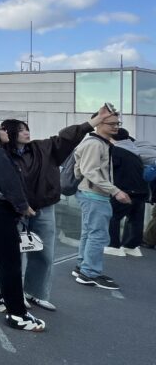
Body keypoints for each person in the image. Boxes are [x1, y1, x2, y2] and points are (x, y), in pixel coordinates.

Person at [0, 106, 114, 311]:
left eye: (27, 129)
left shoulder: (42, 148)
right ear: (8, 133)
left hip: (43, 207)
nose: (27, 132)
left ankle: (36, 293)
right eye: (21, 129)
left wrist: (96, 121)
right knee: (13, 256)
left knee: (44, 253)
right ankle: (12, 295)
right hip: (12, 211)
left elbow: (67, 138)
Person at [0, 119, 45, 332]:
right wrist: (23, 207)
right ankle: (17, 313)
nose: (5, 131)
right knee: (10, 263)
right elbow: (8, 182)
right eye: (0, 129)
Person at [72, 111, 131, 291]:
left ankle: (83, 267)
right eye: (111, 123)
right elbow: (90, 171)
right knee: (98, 235)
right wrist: (115, 191)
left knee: (90, 232)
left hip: (91, 193)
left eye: (117, 123)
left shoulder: (99, 143)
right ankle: (89, 273)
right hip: (94, 194)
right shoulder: (95, 144)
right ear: (98, 124)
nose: (115, 126)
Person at [106, 128, 150, 258]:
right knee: (135, 219)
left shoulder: (116, 151)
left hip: (125, 190)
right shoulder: (135, 151)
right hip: (142, 191)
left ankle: (113, 245)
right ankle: (131, 246)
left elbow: (108, 170)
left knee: (113, 216)